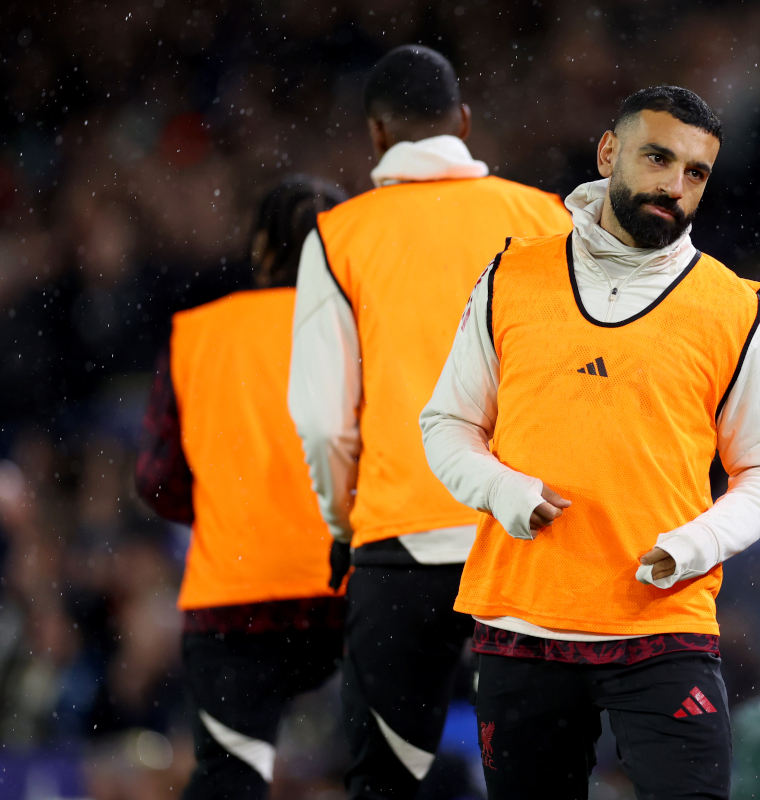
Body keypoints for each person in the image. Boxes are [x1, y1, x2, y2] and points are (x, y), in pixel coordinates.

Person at [421, 86, 760, 799]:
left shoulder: (732, 307)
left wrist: (694, 544)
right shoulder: (509, 277)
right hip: (522, 618)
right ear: (608, 152)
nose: (675, 186)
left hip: (664, 624)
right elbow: (446, 424)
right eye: (658, 158)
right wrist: (502, 490)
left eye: (696, 172)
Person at [287, 45, 572, 799]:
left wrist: (344, 526)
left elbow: (321, 423)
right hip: (528, 538)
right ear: (465, 122)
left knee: (385, 783)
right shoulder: (544, 219)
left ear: (376, 134)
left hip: (401, 544)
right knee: (543, 778)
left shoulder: (339, 237)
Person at [135, 175, 348, 800]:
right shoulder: (368, 332)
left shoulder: (196, 334)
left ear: (259, 247)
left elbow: (155, 480)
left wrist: (229, 503)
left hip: (233, 601)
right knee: (377, 772)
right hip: (353, 594)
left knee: (230, 778)